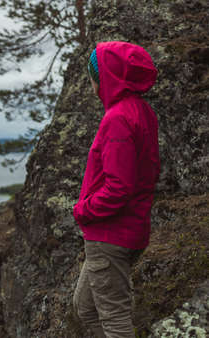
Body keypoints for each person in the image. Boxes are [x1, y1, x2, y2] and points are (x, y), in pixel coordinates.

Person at [72, 41, 160, 338]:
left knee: (114, 320)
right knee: (85, 308)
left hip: (110, 233)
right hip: (129, 229)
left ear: (108, 76)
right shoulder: (142, 112)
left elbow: (119, 188)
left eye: (93, 77)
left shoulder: (118, 118)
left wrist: (82, 210)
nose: (92, 85)